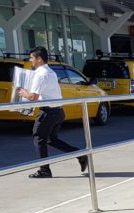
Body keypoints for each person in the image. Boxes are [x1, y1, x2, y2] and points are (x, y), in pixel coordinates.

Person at [16, 46, 88, 178]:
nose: (30, 60)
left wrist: (22, 92)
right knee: (51, 139)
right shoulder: (51, 72)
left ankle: (44, 170)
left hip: (48, 113)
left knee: (39, 138)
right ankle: (80, 155)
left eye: (32, 57)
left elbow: (33, 97)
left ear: (39, 59)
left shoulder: (40, 74)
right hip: (58, 112)